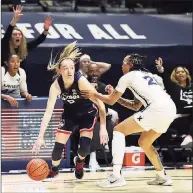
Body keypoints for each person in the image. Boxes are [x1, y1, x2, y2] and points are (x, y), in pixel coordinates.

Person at [81, 53, 176, 187]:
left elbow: (110, 101)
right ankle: (162, 176)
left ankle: (116, 176)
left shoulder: (127, 77)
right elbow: (135, 105)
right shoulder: (148, 76)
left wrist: (94, 94)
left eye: (124, 63)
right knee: (144, 142)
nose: (121, 66)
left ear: (130, 65)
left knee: (118, 130)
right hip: (170, 109)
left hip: (157, 109)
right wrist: (114, 96)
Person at [32, 42, 108, 180]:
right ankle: (54, 169)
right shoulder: (56, 86)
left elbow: (101, 104)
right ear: (60, 70)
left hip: (87, 114)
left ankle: (79, 162)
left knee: (84, 149)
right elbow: (48, 112)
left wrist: (103, 127)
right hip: (69, 114)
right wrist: (40, 136)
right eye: (65, 68)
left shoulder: (82, 82)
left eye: (72, 68)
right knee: (56, 151)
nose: (69, 71)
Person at [155, 58, 193, 147]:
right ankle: (188, 137)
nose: (180, 73)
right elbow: (164, 77)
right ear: (174, 75)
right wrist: (161, 69)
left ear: (187, 74)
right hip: (179, 119)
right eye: (178, 72)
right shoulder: (173, 87)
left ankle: (187, 137)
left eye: (182, 72)